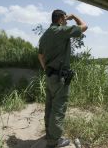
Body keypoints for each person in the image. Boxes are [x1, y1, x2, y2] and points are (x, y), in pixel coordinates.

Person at [38, 9, 88, 148]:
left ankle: (49, 134)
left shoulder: (45, 35)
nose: (66, 21)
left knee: (49, 106)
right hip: (60, 78)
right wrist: (74, 16)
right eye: (65, 19)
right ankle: (54, 141)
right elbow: (84, 26)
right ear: (60, 19)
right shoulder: (61, 31)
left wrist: (47, 70)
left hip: (49, 76)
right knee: (58, 108)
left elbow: (40, 56)